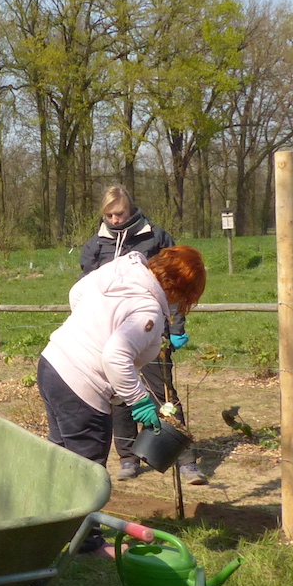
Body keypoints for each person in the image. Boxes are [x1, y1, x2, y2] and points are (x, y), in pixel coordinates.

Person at [39, 245, 207, 552]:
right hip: (82, 382)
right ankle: (88, 544)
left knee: (62, 456)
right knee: (87, 467)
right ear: (179, 288)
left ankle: (53, 528)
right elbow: (115, 357)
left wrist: (92, 329)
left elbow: (76, 293)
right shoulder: (148, 309)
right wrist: (139, 400)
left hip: (53, 363)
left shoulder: (121, 271)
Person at [79, 186, 204, 484]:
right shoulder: (95, 246)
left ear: (131, 209)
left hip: (150, 329)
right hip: (112, 333)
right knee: (120, 394)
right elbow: (86, 289)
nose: (115, 219)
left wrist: (175, 327)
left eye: (119, 213)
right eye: (109, 215)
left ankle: (185, 460)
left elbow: (175, 283)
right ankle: (128, 458)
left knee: (163, 394)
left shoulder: (156, 238)